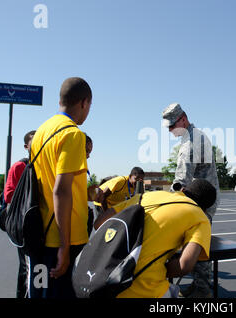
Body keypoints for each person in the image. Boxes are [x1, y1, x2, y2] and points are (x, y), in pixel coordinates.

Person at [27, 77, 99, 298]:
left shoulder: (41, 131)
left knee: (40, 291)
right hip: (63, 238)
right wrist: (64, 247)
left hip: (39, 231)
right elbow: (61, 190)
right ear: (84, 102)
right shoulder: (72, 134)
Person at [94, 179, 216, 298]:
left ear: (183, 190)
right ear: (205, 209)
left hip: (100, 278)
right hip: (142, 289)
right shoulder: (201, 218)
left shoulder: (147, 196)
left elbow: (99, 223)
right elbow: (184, 265)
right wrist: (157, 270)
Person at [162, 102, 220, 298]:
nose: (170, 130)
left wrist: (165, 202)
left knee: (198, 245)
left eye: (172, 125)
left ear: (183, 120)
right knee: (197, 244)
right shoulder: (194, 136)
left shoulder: (191, 143)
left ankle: (202, 292)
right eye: (168, 127)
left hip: (201, 203)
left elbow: (181, 181)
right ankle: (199, 286)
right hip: (201, 199)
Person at [2, 130, 36, 298]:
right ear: (26, 146)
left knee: (36, 267)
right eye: (33, 142)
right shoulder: (20, 166)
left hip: (38, 224)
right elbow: (8, 195)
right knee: (27, 266)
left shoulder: (42, 165)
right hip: (23, 224)